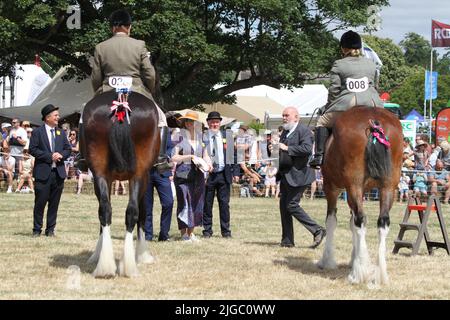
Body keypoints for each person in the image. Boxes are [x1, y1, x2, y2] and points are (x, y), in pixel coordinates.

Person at [88, 9, 170, 171]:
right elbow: (150, 73)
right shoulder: (139, 45)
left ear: (112, 28)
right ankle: (160, 159)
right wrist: (148, 90)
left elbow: (96, 76)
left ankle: (82, 157)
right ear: (129, 27)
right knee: (161, 119)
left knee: (84, 117)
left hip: (108, 91)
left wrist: (98, 93)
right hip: (136, 91)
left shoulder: (100, 47)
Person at [309, 30, 383, 168]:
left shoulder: (339, 64)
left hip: (349, 103)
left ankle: (319, 156)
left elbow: (334, 90)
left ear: (343, 48)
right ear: (359, 47)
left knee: (321, 122)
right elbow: (375, 86)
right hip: (373, 103)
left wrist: (329, 106)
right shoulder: (371, 64)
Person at [277, 106, 326, 248]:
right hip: (287, 174)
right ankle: (287, 240)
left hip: (300, 175)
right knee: (284, 207)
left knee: (291, 205)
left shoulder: (304, 131)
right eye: (283, 115)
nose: (284, 118)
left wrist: (287, 148)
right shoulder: (285, 132)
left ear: (296, 117)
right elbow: (283, 150)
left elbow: (306, 149)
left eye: (287, 115)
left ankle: (317, 230)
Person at [29, 104, 71, 237]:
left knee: (54, 204)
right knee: (40, 203)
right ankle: (37, 230)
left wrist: (61, 155)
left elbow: (68, 149)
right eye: (56, 115)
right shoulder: (37, 132)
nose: (58, 117)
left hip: (58, 174)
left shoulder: (61, 132)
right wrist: (49, 156)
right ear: (47, 118)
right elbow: (33, 149)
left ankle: (50, 230)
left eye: (58, 115)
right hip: (43, 174)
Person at [172, 111, 210, 242]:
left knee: (196, 202)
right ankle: (183, 233)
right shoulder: (179, 137)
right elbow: (174, 157)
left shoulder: (201, 139)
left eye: (192, 121)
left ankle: (191, 232)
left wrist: (208, 164)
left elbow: (206, 156)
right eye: (187, 121)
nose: (189, 123)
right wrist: (190, 156)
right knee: (184, 201)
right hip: (182, 174)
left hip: (198, 174)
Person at [203, 111, 239, 238]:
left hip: (224, 174)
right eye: (212, 122)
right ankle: (207, 231)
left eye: (217, 122)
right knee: (207, 204)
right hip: (209, 175)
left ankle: (226, 231)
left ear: (220, 123)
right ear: (208, 123)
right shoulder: (203, 136)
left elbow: (233, 155)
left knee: (224, 205)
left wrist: (236, 171)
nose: (214, 124)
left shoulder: (227, 136)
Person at [144, 126, 174, 242]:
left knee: (168, 202)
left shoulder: (165, 130)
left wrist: (167, 156)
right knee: (147, 206)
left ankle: (164, 234)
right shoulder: (143, 127)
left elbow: (170, 147)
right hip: (146, 171)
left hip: (163, 171)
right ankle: (148, 235)